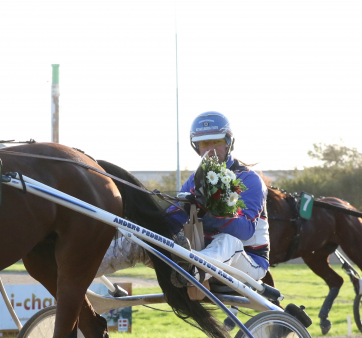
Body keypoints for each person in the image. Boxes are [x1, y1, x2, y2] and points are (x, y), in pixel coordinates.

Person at [96, 111, 270, 285]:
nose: (210, 149)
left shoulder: (250, 180)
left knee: (227, 241)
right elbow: (170, 222)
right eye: (204, 143)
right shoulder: (194, 180)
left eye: (216, 141)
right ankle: (78, 266)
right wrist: (146, 222)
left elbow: (245, 231)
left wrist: (208, 212)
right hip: (201, 252)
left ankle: (189, 274)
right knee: (136, 238)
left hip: (249, 261)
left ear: (228, 143)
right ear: (196, 147)